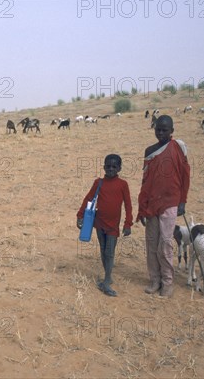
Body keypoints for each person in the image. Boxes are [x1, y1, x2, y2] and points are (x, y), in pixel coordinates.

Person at [137, 115, 190, 298]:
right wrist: (142, 207)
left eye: (164, 130)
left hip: (170, 202)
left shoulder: (178, 148)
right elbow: (145, 181)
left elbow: (185, 176)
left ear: (171, 131)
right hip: (151, 203)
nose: (160, 132)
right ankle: (155, 280)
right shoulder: (149, 150)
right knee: (152, 243)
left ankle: (168, 282)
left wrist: (182, 201)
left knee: (165, 244)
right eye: (158, 129)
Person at [77, 154, 133, 297]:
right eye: (108, 166)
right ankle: (108, 275)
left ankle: (107, 280)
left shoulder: (123, 185)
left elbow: (128, 205)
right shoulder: (98, 183)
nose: (110, 169)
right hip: (99, 223)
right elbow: (88, 198)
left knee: (110, 252)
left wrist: (128, 223)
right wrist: (80, 215)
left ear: (119, 168)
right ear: (103, 167)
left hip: (113, 226)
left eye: (114, 166)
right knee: (103, 250)